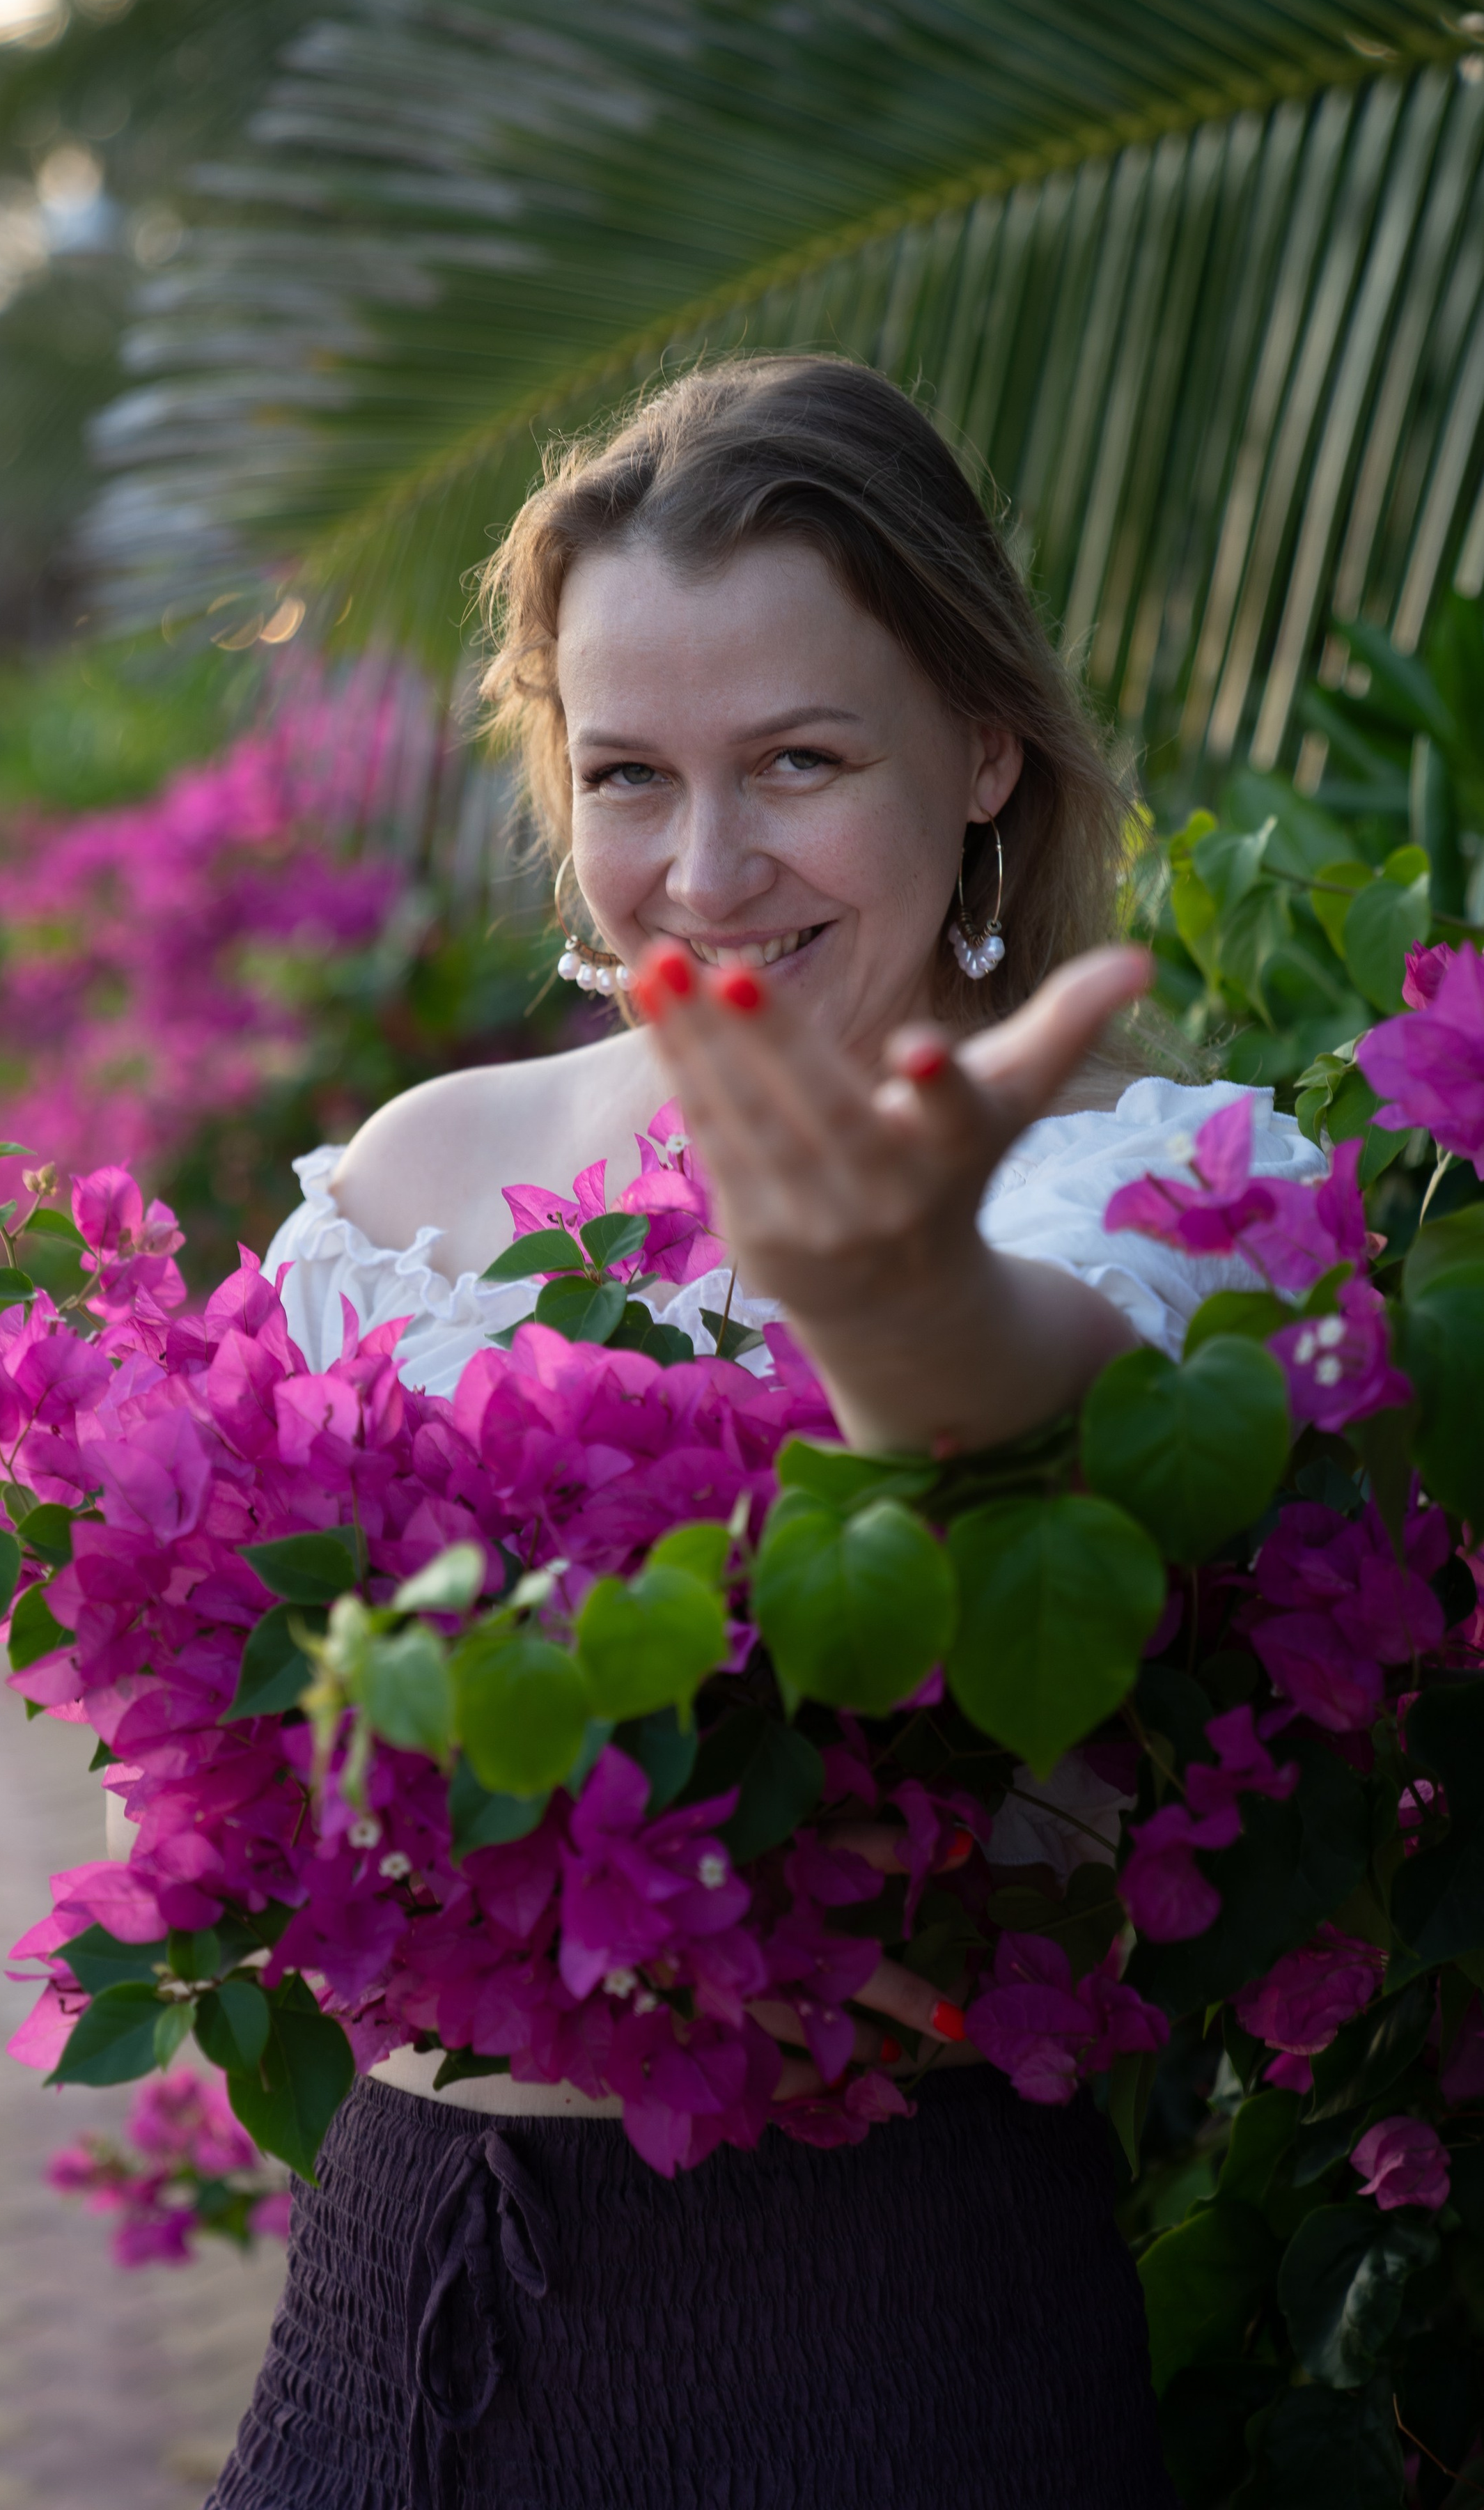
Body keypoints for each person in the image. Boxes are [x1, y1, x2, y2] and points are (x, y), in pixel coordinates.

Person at [207, 357, 1319, 2510]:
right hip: (406, 2298)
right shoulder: (415, 1183)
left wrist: (887, 1295)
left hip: (887, 2336)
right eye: (630, 774)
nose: (704, 873)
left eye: (799, 761)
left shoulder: (1146, 1185)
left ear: (982, 750)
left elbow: (1004, 1401)